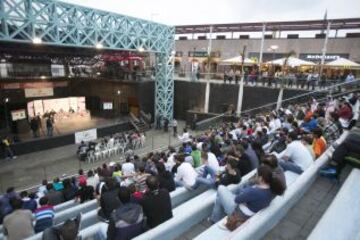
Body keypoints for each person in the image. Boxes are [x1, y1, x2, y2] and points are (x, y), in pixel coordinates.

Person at [209, 165, 285, 223]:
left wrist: (245, 196)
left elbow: (237, 199)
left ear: (261, 178)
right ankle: (214, 219)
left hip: (238, 213)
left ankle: (216, 218)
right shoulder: (270, 189)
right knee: (219, 199)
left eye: (256, 174)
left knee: (221, 188)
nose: (255, 176)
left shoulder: (254, 191)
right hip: (247, 209)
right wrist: (245, 199)